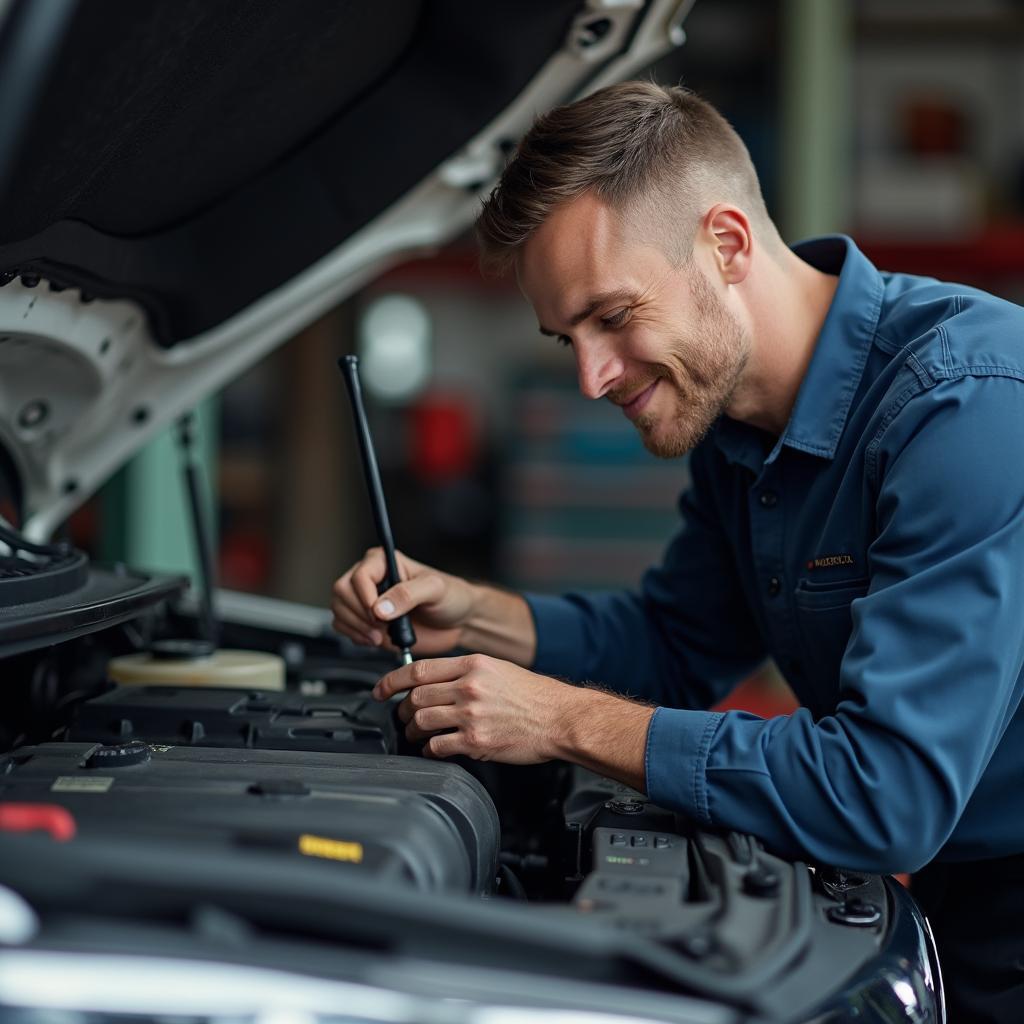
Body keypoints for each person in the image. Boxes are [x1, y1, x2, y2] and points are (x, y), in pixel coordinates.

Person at [331, 81, 1024, 1021]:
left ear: (726, 244)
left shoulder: (969, 409)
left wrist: (564, 721)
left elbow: (885, 793)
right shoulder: (741, 428)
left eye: (612, 317)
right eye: (565, 336)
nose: (590, 377)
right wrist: (480, 615)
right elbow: (677, 646)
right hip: (961, 892)